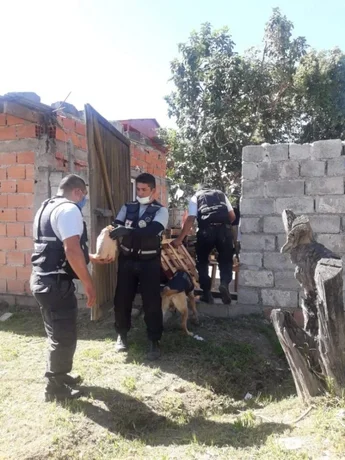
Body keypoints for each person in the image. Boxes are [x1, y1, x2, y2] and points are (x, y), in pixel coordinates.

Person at [30, 174, 110, 402]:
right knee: (62, 336)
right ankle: (54, 388)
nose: (84, 199)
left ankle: (61, 375)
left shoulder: (46, 207)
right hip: (55, 284)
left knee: (57, 332)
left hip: (42, 280)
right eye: (83, 194)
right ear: (77, 192)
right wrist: (89, 283)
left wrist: (91, 257)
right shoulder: (69, 210)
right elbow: (71, 250)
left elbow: (54, 246)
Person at [109, 173, 169, 360]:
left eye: (144, 189)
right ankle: (122, 335)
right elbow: (117, 224)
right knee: (122, 299)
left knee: (151, 302)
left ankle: (154, 340)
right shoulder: (128, 207)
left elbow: (153, 230)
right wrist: (115, 229)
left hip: (149, 262)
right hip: (127, 260)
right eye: (138, 188)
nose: (140, 192)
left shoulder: (161, 210)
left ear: (153, 190)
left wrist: (129, 230)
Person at [172, 184, 236, 304]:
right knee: (226, 260)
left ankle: (207, 293)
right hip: (224, 231)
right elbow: (232, 216)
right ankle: (224, 284)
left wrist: (180, 239)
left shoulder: (196, 197)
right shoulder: (221, 194)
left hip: (206, 231)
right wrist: (224, 227)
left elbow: (191, 218)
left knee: (202, 261)